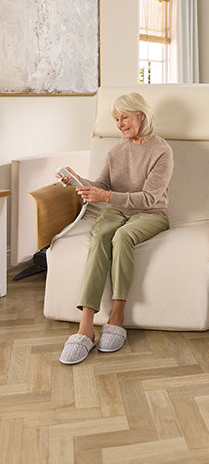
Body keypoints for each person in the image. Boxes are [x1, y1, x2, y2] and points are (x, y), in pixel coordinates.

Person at [57, 92, 174, 365]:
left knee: (122, 237)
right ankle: (85, 324)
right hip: (117, 211)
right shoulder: (116, 150)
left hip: (152, 214)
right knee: (99, 236)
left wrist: (106, 198)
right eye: (116, 119)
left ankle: (117, 315)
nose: (120, 123)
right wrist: (76, 180)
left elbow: (149, 199)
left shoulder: (162, 151)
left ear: (141, 116)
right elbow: (104, 186)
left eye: (124, 117)